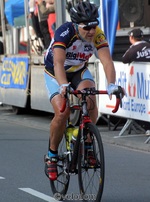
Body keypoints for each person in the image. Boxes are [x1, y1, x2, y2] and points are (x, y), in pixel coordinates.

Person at [44, 1, 124, 181]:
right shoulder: (64, 32)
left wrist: (111, 84)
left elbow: (107, 61)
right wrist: (63, 85)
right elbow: (57, 63)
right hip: (55, 72)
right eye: (87, 27)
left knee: (90, 98)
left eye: (94, 25)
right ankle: (52, 154)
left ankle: (88, 144)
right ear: (76, 25)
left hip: (79, 70)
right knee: (62, 112)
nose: (91, 30)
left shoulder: (97, 34)